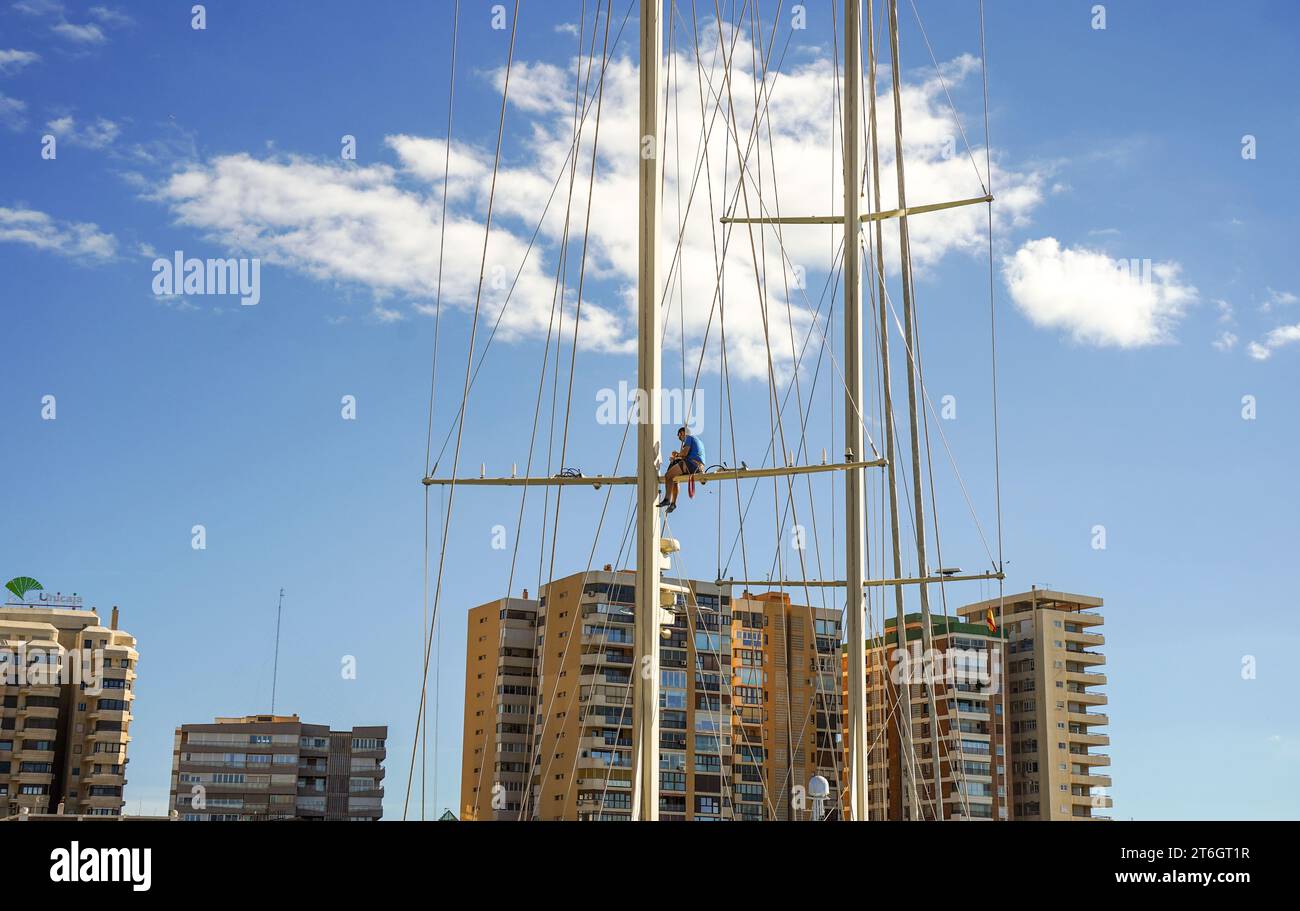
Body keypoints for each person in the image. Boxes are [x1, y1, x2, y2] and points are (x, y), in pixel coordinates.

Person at [658, 426, 704, 513]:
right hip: (699, 467)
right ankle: (673, 503)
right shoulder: (698, 441)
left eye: (680, 436)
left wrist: (677, 455)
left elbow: (685, 453)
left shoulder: (689, 438)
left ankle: (667, 499)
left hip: (691, 464)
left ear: (682, 433)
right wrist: (678, 457)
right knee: (675, 479)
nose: (681, 439)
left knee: (668, 475)